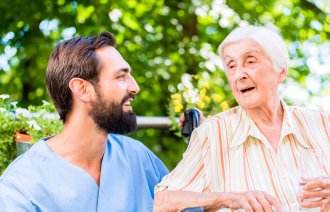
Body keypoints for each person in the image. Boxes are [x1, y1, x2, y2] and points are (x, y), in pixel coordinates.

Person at [154, 25, 330, 211]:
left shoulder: (323, 124)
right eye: (231, 66)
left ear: (281, 71)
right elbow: (162, 202)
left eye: (250, 61)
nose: (239, 75)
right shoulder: (212, 134)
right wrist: (228, 199)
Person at [0, 32, 169, 211]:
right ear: (82, 89)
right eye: (121, 76)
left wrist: (201, 136)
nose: (135, 87)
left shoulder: (138, 157)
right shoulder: (20, 188)